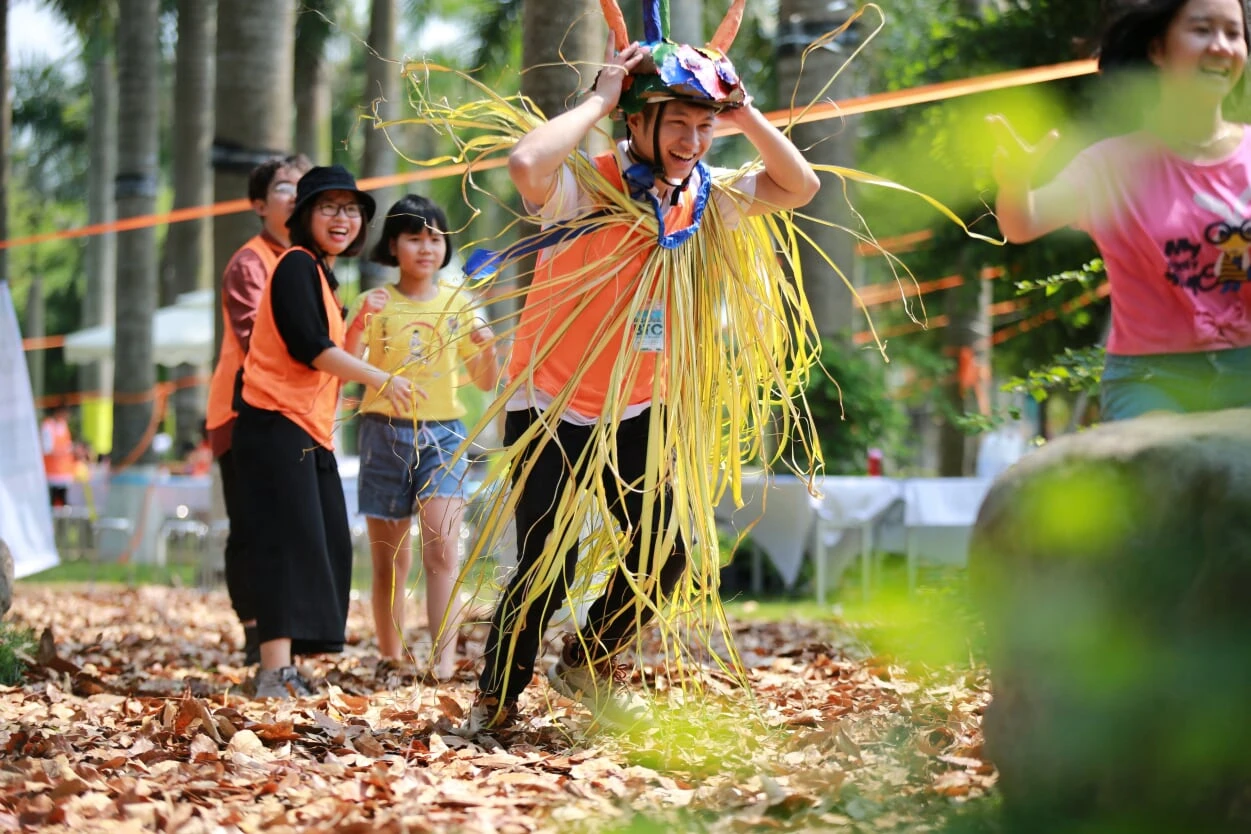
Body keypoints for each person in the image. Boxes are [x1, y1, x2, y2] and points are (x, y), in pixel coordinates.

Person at [464, 0, 820, 732]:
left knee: (668, 558)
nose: (693, 140)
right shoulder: (583, 185)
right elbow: (525, 162)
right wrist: (600, 95)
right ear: (637, 124)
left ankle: (585, 662)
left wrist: (742, 111)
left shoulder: (704, 198)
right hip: (551, 403)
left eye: (702, 126)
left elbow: (800, 187)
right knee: (544, 566)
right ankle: (495, 703)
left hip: (638, 406)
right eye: (677, 124)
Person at [990, 0, 1251, 420]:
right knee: (1166, 467)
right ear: (1157, 49)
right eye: (1202, 30)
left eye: (1233, 34)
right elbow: (1023, 223)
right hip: (1152, 383)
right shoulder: (1110, 167)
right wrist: (1016, 182)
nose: (1221, 47)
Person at [230, 165, 416, 699]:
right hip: (273, 425)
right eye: (330, 207)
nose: (344, 219)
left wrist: (357, 321)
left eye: (352, 210)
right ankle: (272, 670)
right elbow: (311, 348)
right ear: (305, 214)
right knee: (283, 546)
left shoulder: (319, 273)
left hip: (305, 430)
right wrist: (383, 378)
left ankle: (285, 666)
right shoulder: (293, 266)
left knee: (320, 542)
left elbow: (331, 352)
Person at [349, 194, 500, 683]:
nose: (426, 247)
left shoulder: (459, 304)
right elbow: (344, 363)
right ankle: (391, 655)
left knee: (442, 550)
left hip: (445, 436)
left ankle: (442, 660)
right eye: (414, 237)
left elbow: (482, 379)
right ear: (393, 245)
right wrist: (355, 324)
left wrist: (489, 349)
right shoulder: (375, 304)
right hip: (382, 433)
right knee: (389, 559)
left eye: (434, 237)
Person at [204, 154, 312, 665]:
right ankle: (254, 631)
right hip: (241, 413)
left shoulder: (312, 262)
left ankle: (281, 632)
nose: (296, 197)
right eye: (286, 188)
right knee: (251, 525)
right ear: (259, 204)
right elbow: (261, 342)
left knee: (287, 525)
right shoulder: (250, 263)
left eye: (302, 188)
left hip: (296, 415)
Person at [41, 405, 75, 507]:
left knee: (63, 502)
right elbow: (47, 448)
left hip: (64, 472)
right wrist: (63, 450)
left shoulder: (64, 426)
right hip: (51, 474)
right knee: (51, 502)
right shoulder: (48, 426)